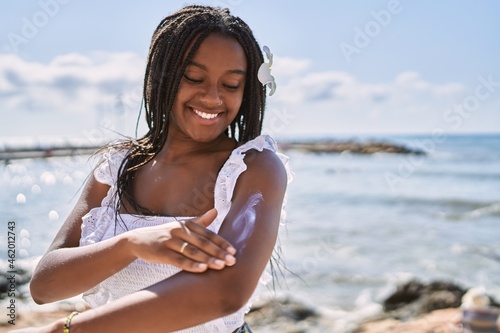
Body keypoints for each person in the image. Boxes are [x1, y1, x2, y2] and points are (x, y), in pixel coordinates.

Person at [15, 4, 290, 333]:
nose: (212, 97)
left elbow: (225, 293)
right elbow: (44, 287)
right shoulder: (117, 169)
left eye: (231, 85)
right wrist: (130, 244)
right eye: (194, 77)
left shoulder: (254, 168)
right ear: (162, 76)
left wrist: (72, 330)